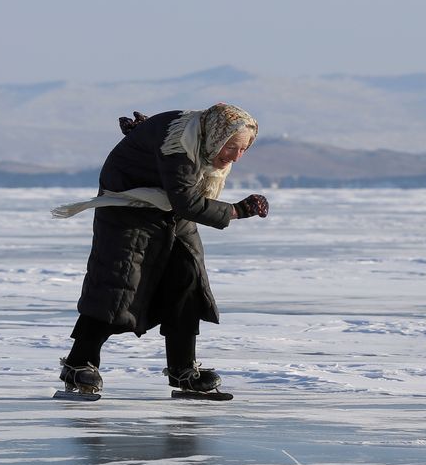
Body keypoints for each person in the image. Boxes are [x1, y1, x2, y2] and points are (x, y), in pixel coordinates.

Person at [50, 103, 269, 396]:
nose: (236, 157)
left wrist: (145, 137)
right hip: (129, 207)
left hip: (170, 209)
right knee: (118, 285)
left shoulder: (197, 134)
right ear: (217, 135)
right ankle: (79, 364)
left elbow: (181, 192)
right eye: (232, 147)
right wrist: (237, 210)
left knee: (187, 281)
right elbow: (187, 202)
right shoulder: (179, 144)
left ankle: (183, 370)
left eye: (244, 150)